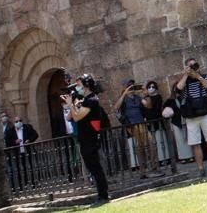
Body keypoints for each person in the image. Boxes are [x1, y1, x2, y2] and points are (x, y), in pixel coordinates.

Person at [62, 74, 108, 205]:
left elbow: (76, 118)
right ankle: (102, 195)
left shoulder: (92, 99)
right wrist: (73, 102)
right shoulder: (83, 99)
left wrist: (71, 104)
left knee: (95, 168)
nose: (77, 87)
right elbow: (69, 117)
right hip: (84, 138)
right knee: (92, 167)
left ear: (86, 85)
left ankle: (103, 196)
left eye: (79, 85)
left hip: (90, 138)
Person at [176, 57, 207, 178]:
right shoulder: (184, 80)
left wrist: (198, 76)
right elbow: (177, 89)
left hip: (206, 114)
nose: (193, 68)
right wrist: (186, 75)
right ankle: (200, 169)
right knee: (195, 143)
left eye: (194, 65)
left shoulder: (204, 77)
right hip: (191, 116)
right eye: (190, 66)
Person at [114, 79, 157, 178]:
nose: (131, 87)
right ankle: (142, 170)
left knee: (150, 143)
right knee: (140, 147)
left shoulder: (137, 98)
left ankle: (153, 167)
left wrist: (146, 94)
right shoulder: (123, 99)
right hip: (132, 126)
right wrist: (124, 93)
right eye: (129, 86)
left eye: (132, 85)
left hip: (141, 123)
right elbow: (116, 108)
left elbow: (148, 106)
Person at [4, 113, 39, 191]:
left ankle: (33, 183)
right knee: (19, 169)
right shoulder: (10, 132)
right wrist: (15, 142)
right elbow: (7, 142)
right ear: (13, 123)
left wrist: (29, 140)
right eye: (16, 121)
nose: (18, 122)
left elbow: (35, 135)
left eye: (20, 121)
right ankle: (22, 186)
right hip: (17, 153)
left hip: (28, 151)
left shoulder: (27, 127)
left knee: (30, 167)